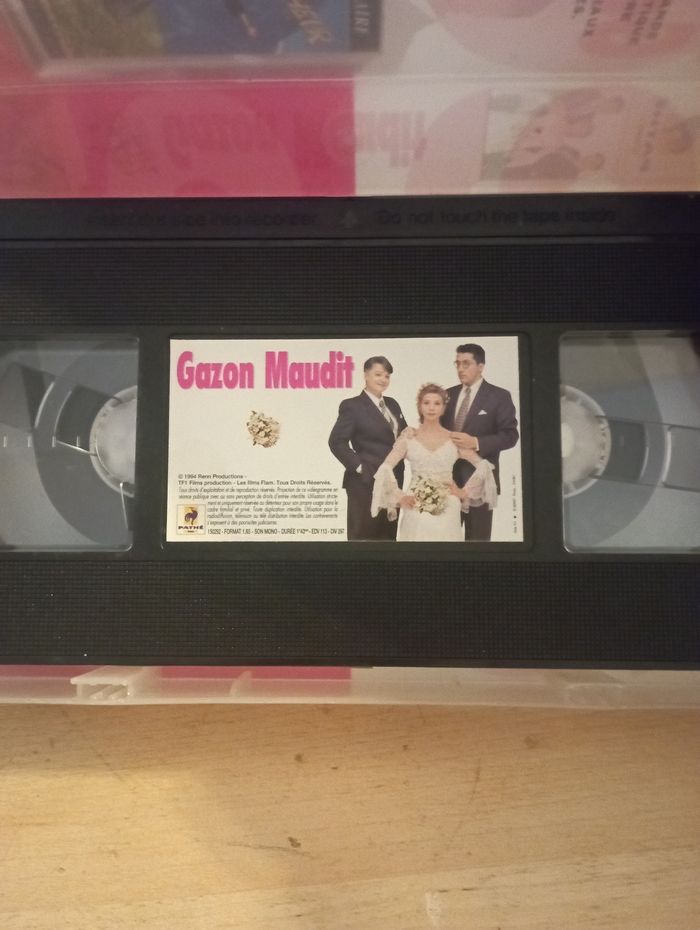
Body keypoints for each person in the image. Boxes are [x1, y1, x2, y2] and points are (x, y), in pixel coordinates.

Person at [371, 384, 497, 542]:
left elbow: (483, 466)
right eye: (426, 403)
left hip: (448, 505)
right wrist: (400, 497)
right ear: (420, 406)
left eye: (437, 403)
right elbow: (385, 468)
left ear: (443, 408)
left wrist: (463, 493)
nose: (431, 408)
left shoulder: (454, 439)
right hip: (415, 504)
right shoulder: (409, 438)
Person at [443, 344, 519, 541]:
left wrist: (476, 442)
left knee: (478, 544)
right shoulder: (447, 395)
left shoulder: (499, 396)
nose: (460, 369)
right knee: (445, 541)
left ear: (481, 366)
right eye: (457, 363)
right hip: (446, 482)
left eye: (466, 363)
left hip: (481, 483)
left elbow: (510, 435)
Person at [329, 356, 408, 540]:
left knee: (388, 538)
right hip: (364, 483)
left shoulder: (393, 404)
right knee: (363, 538)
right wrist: (360, 468)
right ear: (366, 375)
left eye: (387, 376)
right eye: (378, 374)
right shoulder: (352, 406)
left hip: (393, 481)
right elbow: (336, 442)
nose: (383, 379)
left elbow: (403, 438)